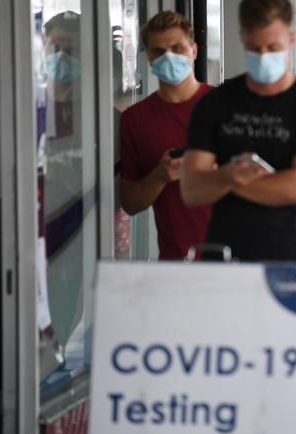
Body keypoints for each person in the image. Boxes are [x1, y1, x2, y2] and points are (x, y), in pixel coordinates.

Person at [180, 0, 296, 263]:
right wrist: (234, 178)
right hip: (224, 258)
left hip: (288, 261)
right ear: (243, 38)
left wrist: (226, 179)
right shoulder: (215, 104)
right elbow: (192, 190)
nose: (264, 56)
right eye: (255, 48)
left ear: (290, 40)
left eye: (273, 48)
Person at [120, 11, 212, 260]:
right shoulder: (134, 119)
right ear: (148, 57)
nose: (169, 57)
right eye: (158, 51)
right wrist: (160, 176)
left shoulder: (224, 106)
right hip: (176, 261)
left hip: (234, 260)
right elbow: (130, 202)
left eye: (177, 48)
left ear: (194, 50)